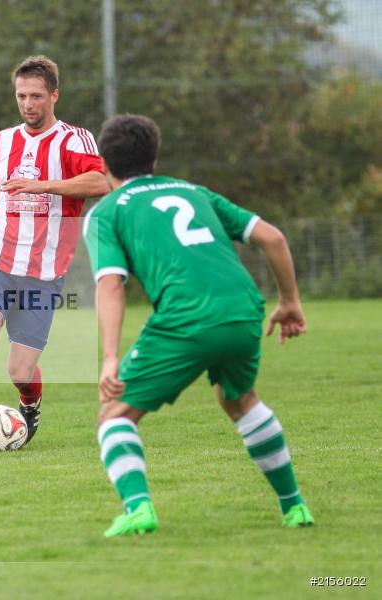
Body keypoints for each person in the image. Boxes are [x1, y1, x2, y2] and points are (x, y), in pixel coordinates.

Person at [83, 114, 313, 536]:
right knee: (240, 400)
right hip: (244, 307)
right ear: (154, 156)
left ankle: (138, 508)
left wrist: (111, 357)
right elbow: (274, 238)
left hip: (186, 316)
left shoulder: (106, 212)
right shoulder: (194, 191)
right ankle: (294, 505)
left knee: (114, 414)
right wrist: (290, 302)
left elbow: (111, 285)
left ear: (103, 162)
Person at [0, 55, 110, 451]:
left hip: (44, 268)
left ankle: (29, 401)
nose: (28, 104)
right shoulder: (0, 142)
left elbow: (102, 181)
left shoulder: (74, 140)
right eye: (21, 96)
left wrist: (45, 186)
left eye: (36, 96)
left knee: (19, 369)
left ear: (54, 95)